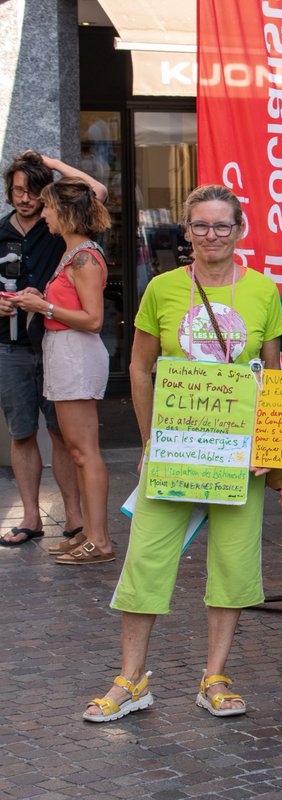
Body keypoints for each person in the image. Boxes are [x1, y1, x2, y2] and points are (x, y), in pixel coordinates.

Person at [82, 184, 282, 721]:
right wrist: (151, 442)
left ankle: (214, 676)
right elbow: (140, 369)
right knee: (145, 559)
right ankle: (132, 679)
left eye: (222, 225)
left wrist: (272, 453)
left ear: (239, 230)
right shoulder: (163, 289)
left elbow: (274, 377)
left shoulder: (263, 292)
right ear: (186, 233)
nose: (211, 235)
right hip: (176, 450)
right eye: (200, 226)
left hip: (239, 456)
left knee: (233, 564)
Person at [11, 177, 114, 564]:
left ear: (66, 212)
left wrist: (44, 308)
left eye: (49, 208)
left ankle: (99, 540)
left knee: (84, 452)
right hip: (64, 351)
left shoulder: (84, 255)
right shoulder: (74, 253)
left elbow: (92, 319)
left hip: (75, 353)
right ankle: (89, 533)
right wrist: (41, 299)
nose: (44, 214)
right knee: (75, 449)